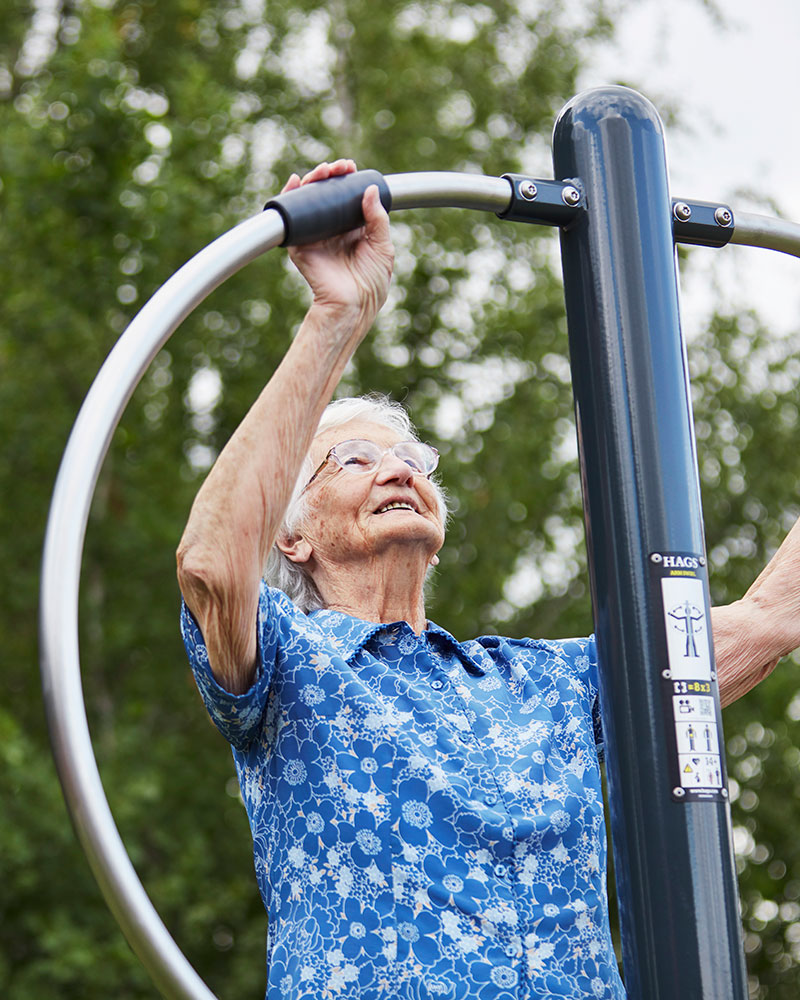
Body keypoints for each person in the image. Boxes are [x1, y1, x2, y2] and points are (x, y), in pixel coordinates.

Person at [177, 159, 800, 999]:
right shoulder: (287, 663)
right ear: (291, 539)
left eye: (411, 461)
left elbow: (769, 616)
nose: (395, 471)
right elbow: (211, 563)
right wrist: (338, 314)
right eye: (353, 460)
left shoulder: (548, 683)